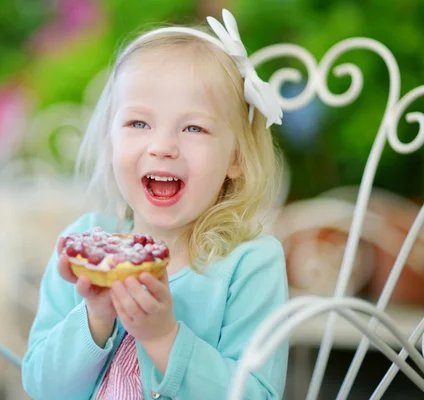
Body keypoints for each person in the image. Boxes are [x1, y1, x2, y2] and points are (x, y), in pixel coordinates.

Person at [22, 8, 289, 400]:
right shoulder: (84, 245)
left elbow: (256, 395)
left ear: (236, 157)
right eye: (138, 124)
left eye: (193, 127)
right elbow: (42, 386)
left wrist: (164, 338)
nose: (162, 146)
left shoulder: (250, 264)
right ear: (111, 140)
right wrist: (96, 318)